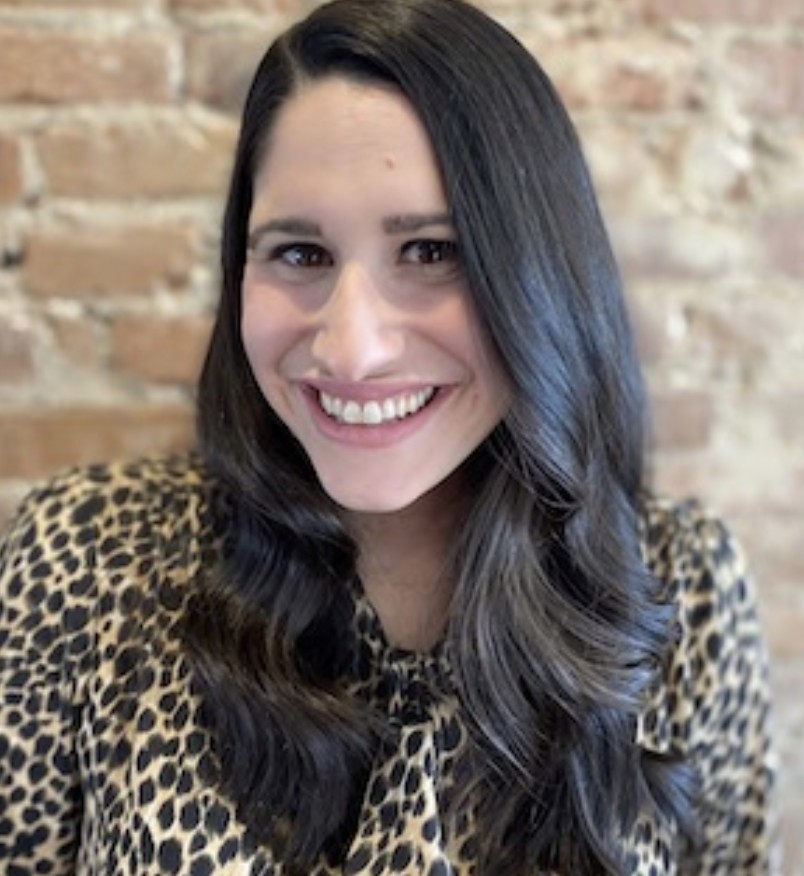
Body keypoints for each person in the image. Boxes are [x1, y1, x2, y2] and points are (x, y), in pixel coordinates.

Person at [0, 0, 779, 873]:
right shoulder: (90, 558)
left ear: (537, 276)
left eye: (431, 252)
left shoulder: (685, 593)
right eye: (300, 254)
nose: (352, 348)